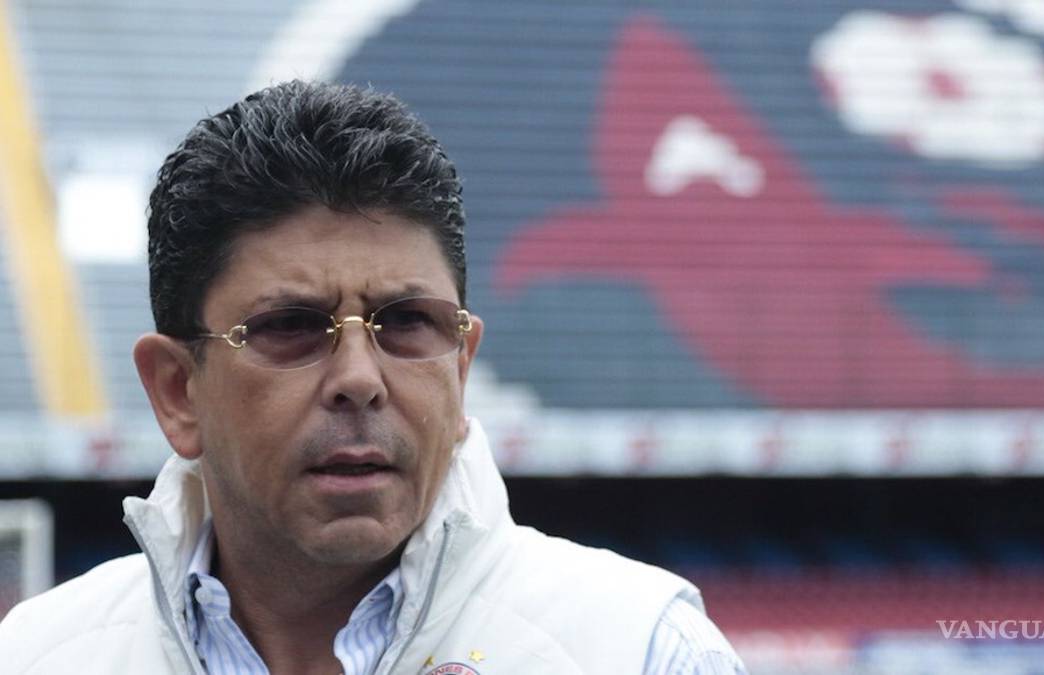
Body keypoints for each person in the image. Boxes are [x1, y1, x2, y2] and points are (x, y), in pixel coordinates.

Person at [0, 81, 746, 674]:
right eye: (291, 326)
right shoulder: (37, 657)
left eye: (408, 322)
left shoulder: (641, 651)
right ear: (176, 390)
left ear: (461, 364)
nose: (359, 378)